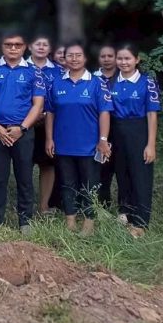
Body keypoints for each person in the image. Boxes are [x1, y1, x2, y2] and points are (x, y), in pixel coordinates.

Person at [0, 33, 46, 234]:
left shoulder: (34, 71)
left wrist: (22, 128)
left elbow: (38, 105)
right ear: (2, 46)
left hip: (23, 132)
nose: (13, 48)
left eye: (18, 45)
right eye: (9, 44)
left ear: (25, 47)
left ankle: (25, 220)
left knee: (24, 177)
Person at [45, 43, 113, 235]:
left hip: (90, 145)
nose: (74, 59)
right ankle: (70, 222)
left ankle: (89, 224)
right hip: (63, 144)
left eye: (78, 55)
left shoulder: (97, 83)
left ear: (85, 58)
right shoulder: (56, 83)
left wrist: (103, 139)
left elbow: (104, 113)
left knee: (90, 185)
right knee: (67, 184)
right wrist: (49, 138)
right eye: (70, 55)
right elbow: (50, 112)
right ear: (64, 58)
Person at [110, 44, 161, 236]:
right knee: (122, 174)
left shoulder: (147, 82)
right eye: (120, 59)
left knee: (140, 176)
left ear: (137, 59)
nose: (123, 62)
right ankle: (126, 213)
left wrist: (151, 144)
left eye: (127, 58)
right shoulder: (111, 82)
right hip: (117, 131)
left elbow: (152, 114)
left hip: (139, 130)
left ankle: (140, 222)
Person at [29, 35, 62, 213]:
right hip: (24, 124)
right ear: (29, 47)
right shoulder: (21, 67)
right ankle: (25, 206)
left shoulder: (58, 71)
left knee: (47, 164)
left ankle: (44, 207)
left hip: (49, 124)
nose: (41, 47)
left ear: (50, 49)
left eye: (45, 45)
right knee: (24, 165)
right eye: (38, 44)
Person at [94, 44, 119, 207]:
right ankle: (102, 202)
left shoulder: (123, 76)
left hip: (120, 127)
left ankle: (125, 205)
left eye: (110, 56)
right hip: (99, 127)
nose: (107, 59)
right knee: (102, 167)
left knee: (121, 165)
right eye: (103, 56)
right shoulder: (92, 78)